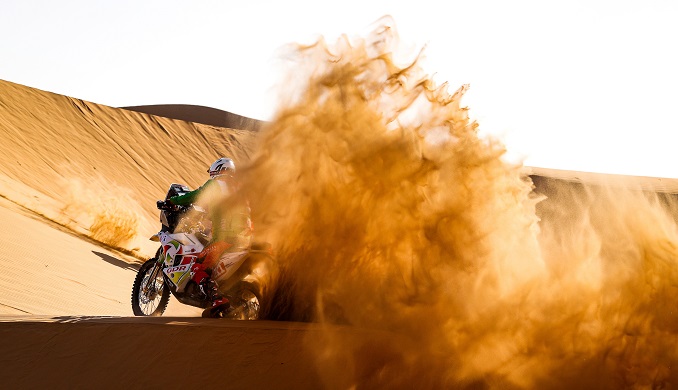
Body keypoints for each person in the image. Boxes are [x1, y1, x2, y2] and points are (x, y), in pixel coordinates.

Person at [164, 157, 252, 317]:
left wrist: (174, 201)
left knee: (198, 266)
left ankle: (217, 300)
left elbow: (196, 196)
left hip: (224, 239)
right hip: (243, 239)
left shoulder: (216, 184)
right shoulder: (238, 188)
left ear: (219, 170)